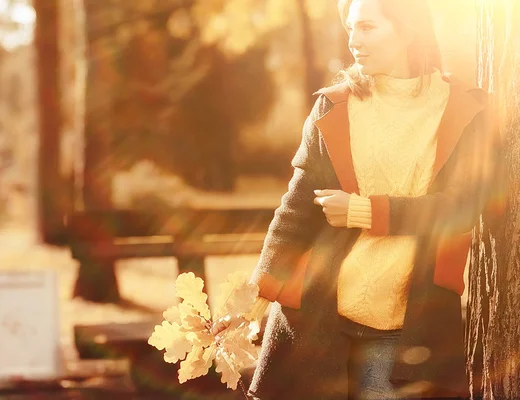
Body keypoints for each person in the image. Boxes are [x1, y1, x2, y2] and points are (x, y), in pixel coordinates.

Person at [212, 0, 499, 398]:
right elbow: (296, 212)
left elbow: (464, 206)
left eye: (367, 28)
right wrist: (252, 300)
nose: (353, 40)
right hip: (315, 320)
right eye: (350, 28)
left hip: (404, 330)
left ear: (407, 29)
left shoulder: (463, 109)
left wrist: (365, 211)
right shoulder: (334, 105)